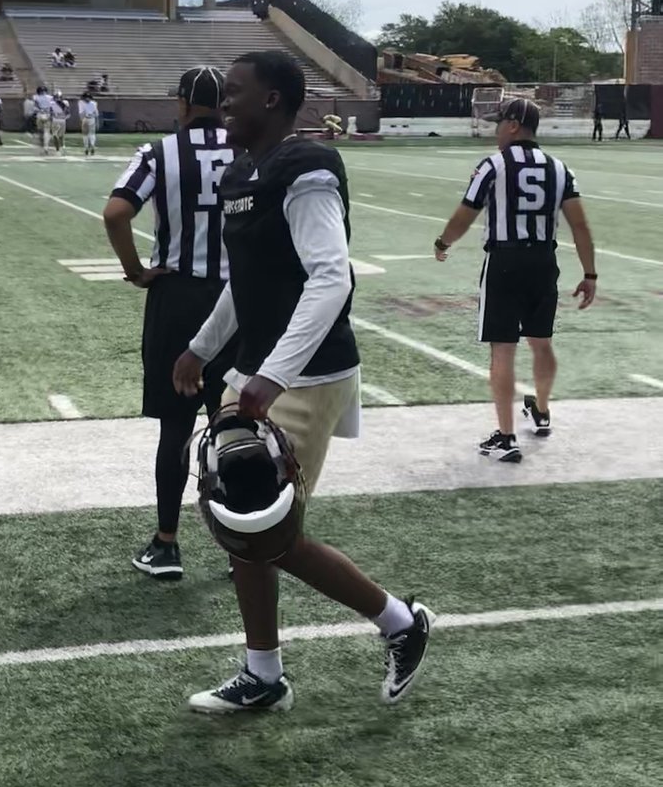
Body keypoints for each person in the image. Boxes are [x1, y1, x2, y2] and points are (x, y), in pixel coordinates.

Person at [172, 51, 433, 714]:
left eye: (235, 93)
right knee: (240, 520)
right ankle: (264, 673)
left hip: (306, 375)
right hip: (260, 370)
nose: (222, 102)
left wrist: (273, 375)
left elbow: (331, 277)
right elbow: (246, 280)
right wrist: (202, 348)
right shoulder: (242, 172)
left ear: (273, 100)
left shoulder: (305, 167)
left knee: (265, 528)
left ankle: (400, 622)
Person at [104, 66, 235, 580]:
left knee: (176, 428)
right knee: (237, 426)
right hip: (237, 301)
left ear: (182, 103)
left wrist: (136, 271)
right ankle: (242, 545)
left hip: (178, 297)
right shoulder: (248, 151)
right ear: (225, 104)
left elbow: (117, 213)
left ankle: (167, 543)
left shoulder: (159, 153)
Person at [434, 96, 597, 462]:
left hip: (506, 259)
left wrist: (443, 242)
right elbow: (581, 225)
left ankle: (506, 437)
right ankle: (540, 409)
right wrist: (589, 273)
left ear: (511, 126)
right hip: (544, 259)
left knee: (503, 348)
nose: (495, 131)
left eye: (498, 124)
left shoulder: (493, 165)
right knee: (541, 341)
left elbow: (465, 214)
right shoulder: (560, 168)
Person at [32, 85, 53, 154]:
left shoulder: (35, 97)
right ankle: (46, 147)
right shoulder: (50, 98)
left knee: (40, 131)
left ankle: (42, 145)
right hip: (47, 114)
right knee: (47, 131)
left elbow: (35, 107)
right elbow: (52, 107)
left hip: (39, 115)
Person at [78, 91, 99, 156]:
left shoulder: (81, 103)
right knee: (91, 133)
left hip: (86, 118)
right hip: (91, 118)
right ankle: (90, 146)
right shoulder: (93, 103)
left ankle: (87, 147)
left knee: (86, 134)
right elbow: (96, 114)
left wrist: (82, 120)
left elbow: (81, 113)